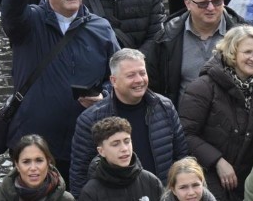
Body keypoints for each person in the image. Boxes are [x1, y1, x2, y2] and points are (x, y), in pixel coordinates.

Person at [2, 0, 123, 184]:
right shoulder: (30, 22)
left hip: (85, 141)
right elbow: (10, 15)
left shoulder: (101, 28)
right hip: (36, 142)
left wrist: (104, 95)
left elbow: (116, 75)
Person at [70, 49, 188, 190]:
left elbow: (182, 158)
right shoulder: (91, 119)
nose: (139, 80)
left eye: (142, 73)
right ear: (114, 81)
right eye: (131, 75)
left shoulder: (165, 107)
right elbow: (80, 175)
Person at [178, 24, 253, 201]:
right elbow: (186, 133)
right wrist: (217, 161)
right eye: (247, 52)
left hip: (248, 178)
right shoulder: (203, 87)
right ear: (232, 53)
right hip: (209, 176)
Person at [143, 0, 246, 100]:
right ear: (188, 4)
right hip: (182, 116)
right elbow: (154, 86)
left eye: (217, 2)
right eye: (203, 3)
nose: (211, 8)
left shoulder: (245, 35)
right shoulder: (167, 38)